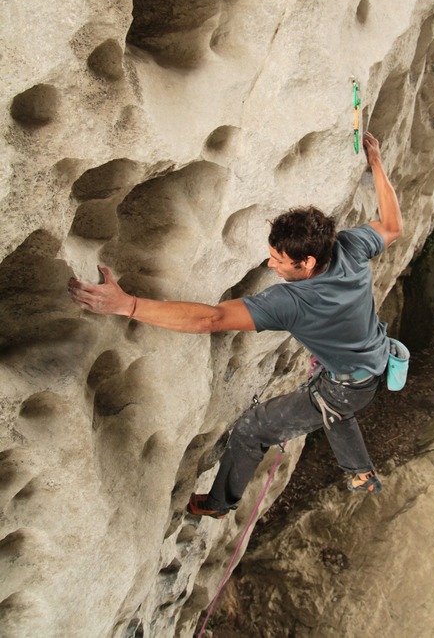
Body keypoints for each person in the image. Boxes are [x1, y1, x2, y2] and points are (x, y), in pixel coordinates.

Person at [68, 131, 402, 517]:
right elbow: (392, 226)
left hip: (348, 385)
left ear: (307, 263)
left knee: (252, 429)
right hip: (376, 357)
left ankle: (218, 503)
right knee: (332, 404)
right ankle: (359, 468)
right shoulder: (350, 246)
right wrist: (376, 162)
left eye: (279, 260)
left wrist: (128, 305)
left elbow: (211, 319)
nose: (271, 266)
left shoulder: (292, 302)